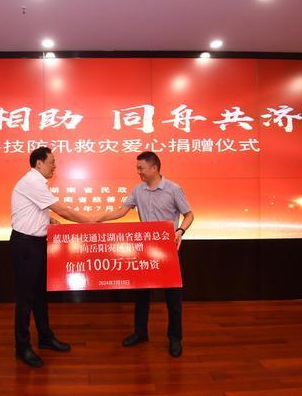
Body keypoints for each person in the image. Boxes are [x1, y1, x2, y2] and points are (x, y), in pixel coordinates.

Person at [94, 151, 193, 357]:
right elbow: (121, 211)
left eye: (141, 168)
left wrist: (180, 231)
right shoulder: (138, 190)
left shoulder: (173, 189)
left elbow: (189, 214)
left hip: (167, 250)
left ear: (154, 168)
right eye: (137, 168)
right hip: (144, 250)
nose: (138, 171)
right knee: (141, 296)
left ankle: (175, 338)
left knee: (173, 298)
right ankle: (140, 333)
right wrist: (97, 219)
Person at [11, 146, 91, 368]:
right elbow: (63, 210)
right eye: (51, 162)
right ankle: (22, 347)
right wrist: (89, 221)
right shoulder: (32, 182)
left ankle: (45, 337)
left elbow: (35, 211)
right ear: (39, 163)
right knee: (26, 298)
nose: (55, 166)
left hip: (37, 244)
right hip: (26, 246)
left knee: (39, 295)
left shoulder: (37, 183)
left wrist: (49, 221)